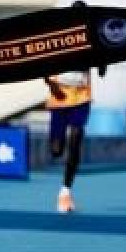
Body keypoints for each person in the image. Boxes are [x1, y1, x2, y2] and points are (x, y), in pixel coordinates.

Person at [44, 68, 91, 213]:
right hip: (59, 96)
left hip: (81, 96)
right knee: (56, 151)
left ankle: (65, 191)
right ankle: (65, 191)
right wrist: (52, 85)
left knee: (76, 137)